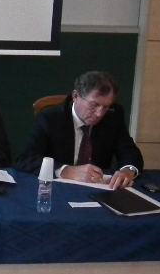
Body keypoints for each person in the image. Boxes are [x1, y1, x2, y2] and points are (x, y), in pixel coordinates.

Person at [15, 71, 144, 189]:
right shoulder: (50, 118)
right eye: (93, 105)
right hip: (58, 189)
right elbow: (26, 159)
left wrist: (127, 171)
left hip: (98, 188)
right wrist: (65, 170)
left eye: (106, 107)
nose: (99, 114)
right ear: (76, 96)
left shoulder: (113, 115)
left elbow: (129, 151)